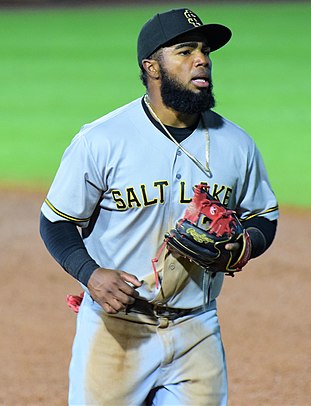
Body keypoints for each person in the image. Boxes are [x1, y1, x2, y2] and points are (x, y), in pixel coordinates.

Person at [40, 8, 278, 406]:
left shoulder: (237, 144)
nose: (201, 59)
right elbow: (56, 221)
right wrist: (91, 274)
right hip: (116, 329)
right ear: (152, 66)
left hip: (198, 327)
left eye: (204, 51)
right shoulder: (102, 140)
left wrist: (246, 244)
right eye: (185, 51)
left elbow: (262, 215)